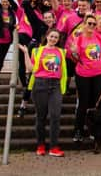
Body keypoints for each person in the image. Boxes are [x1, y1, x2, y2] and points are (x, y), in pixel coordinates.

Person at [20, 29, 67, 157]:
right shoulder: (37, 51)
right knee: (41, 116)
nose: (53, 39)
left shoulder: (61, 52)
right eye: (51, 36)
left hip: (56, 85)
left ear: (58, 40)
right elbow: (30, 69)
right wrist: (25, 53)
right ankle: (41, 145)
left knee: (55, 116)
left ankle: (53, 147)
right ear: (47, 36)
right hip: (40, 84)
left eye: (56, 37)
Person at [68, 14, 101, 143]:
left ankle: (95, 130)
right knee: (83, 103)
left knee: (98, 103)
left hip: (99, 74)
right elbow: (75, 59)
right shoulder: (79, 39)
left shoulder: (98, 37)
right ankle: (78, 130)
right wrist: (73, 52)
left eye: (94, 24)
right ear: (84, 24)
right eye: (90, 23)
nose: (92, 26)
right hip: (83, 75)